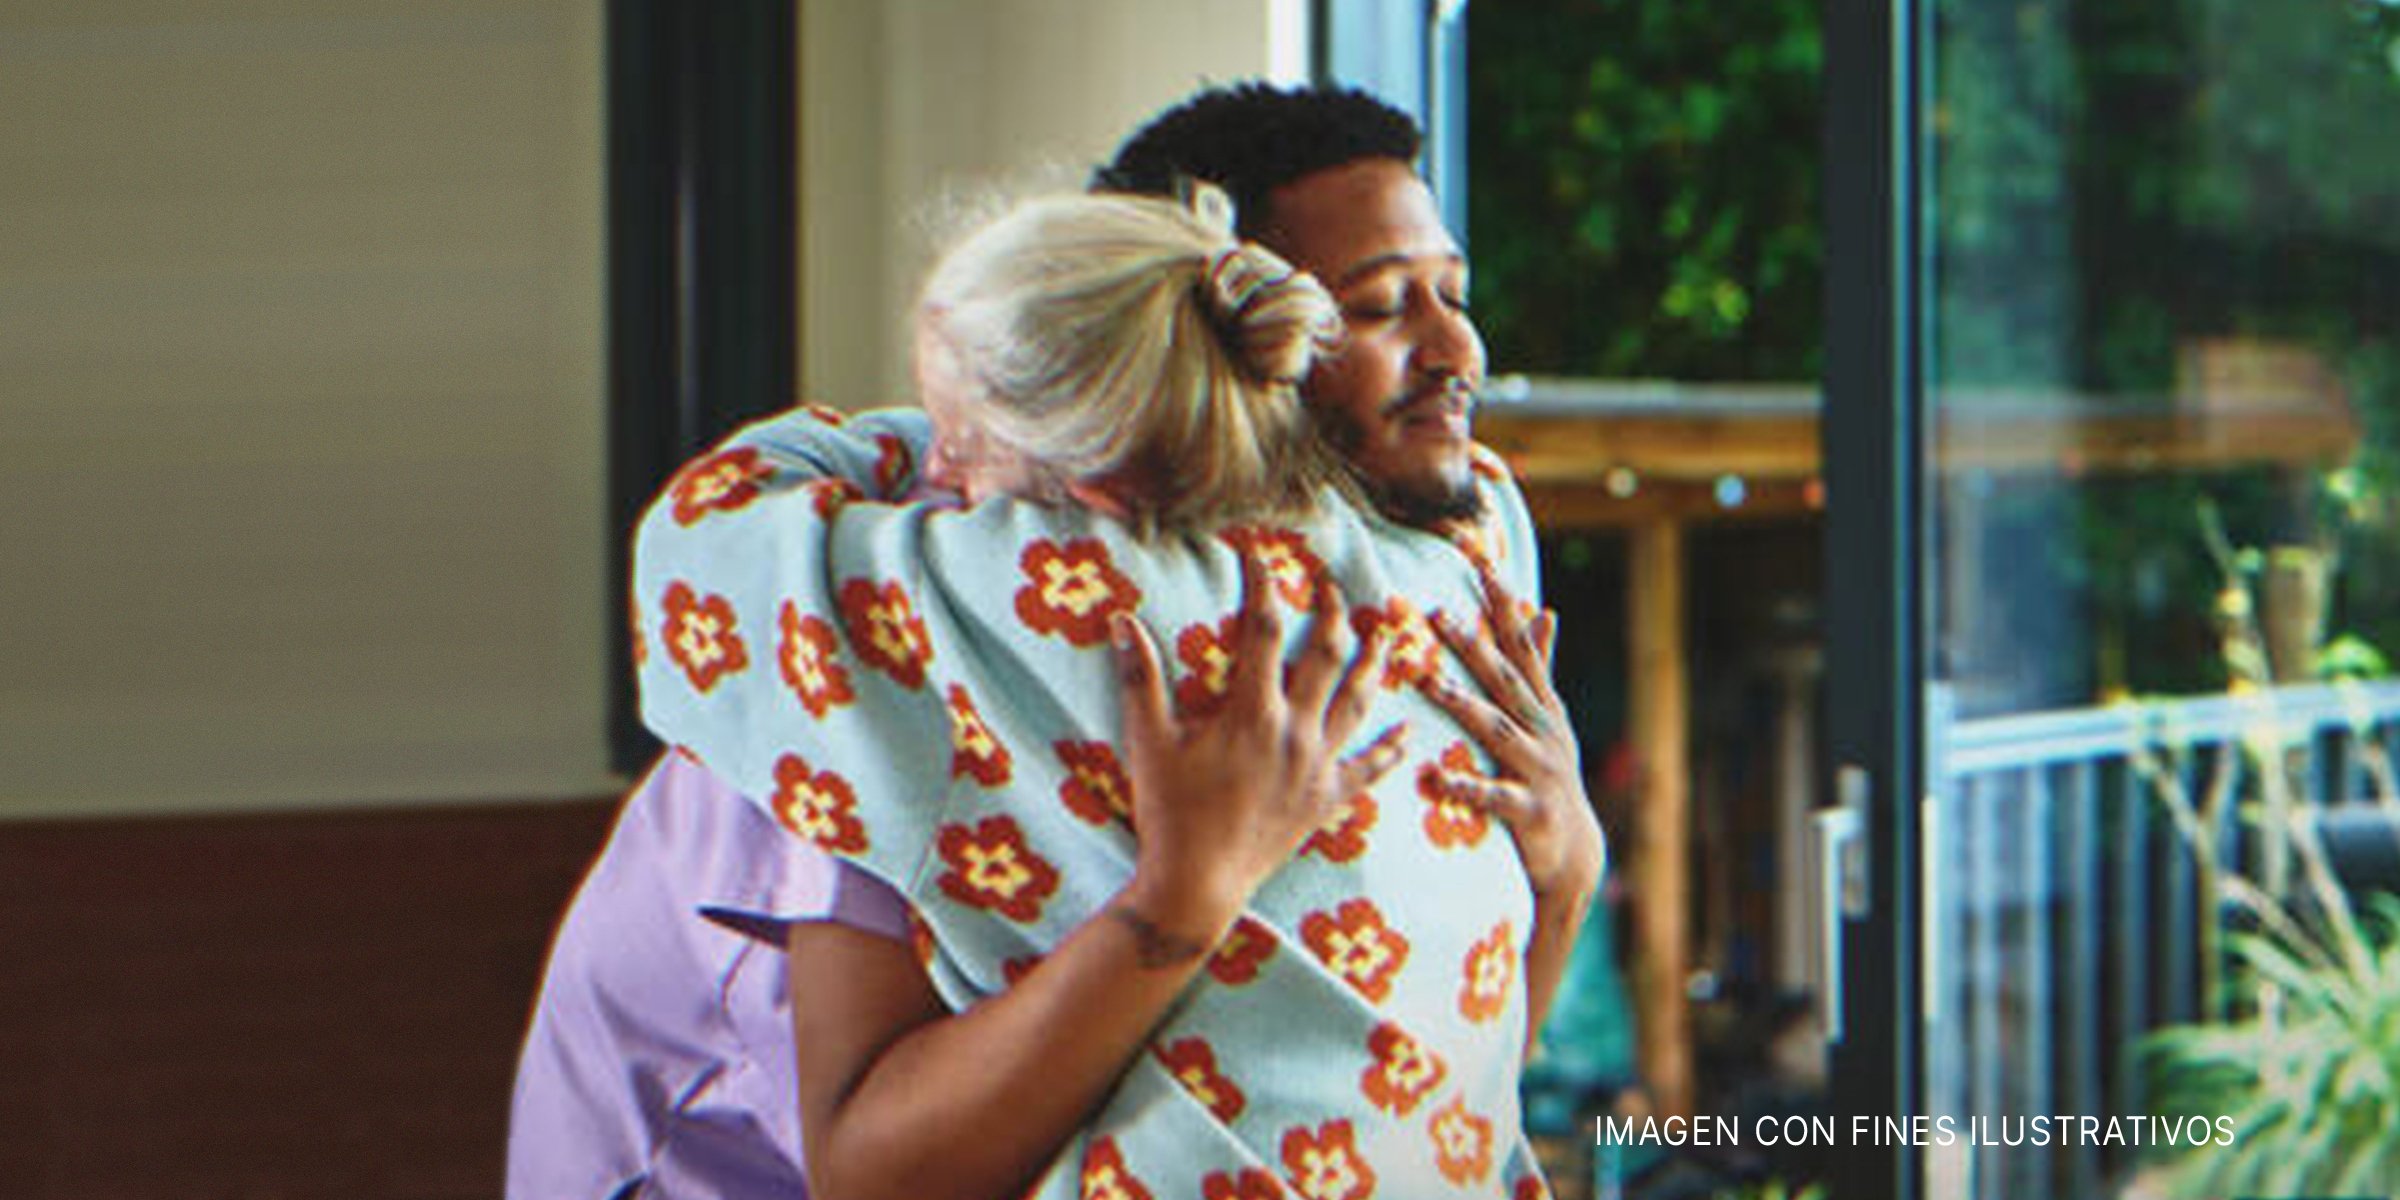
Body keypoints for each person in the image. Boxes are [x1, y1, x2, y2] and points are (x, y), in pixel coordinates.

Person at [509, 83, 1599, 1200]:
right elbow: (878, 1173)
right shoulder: (875, 651)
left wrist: (1564, 873)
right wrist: (1182, 900)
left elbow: (1408, 1090)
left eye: (1452, 292)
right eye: (1377, 308)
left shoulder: (1379, 618)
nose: (1456, 345)